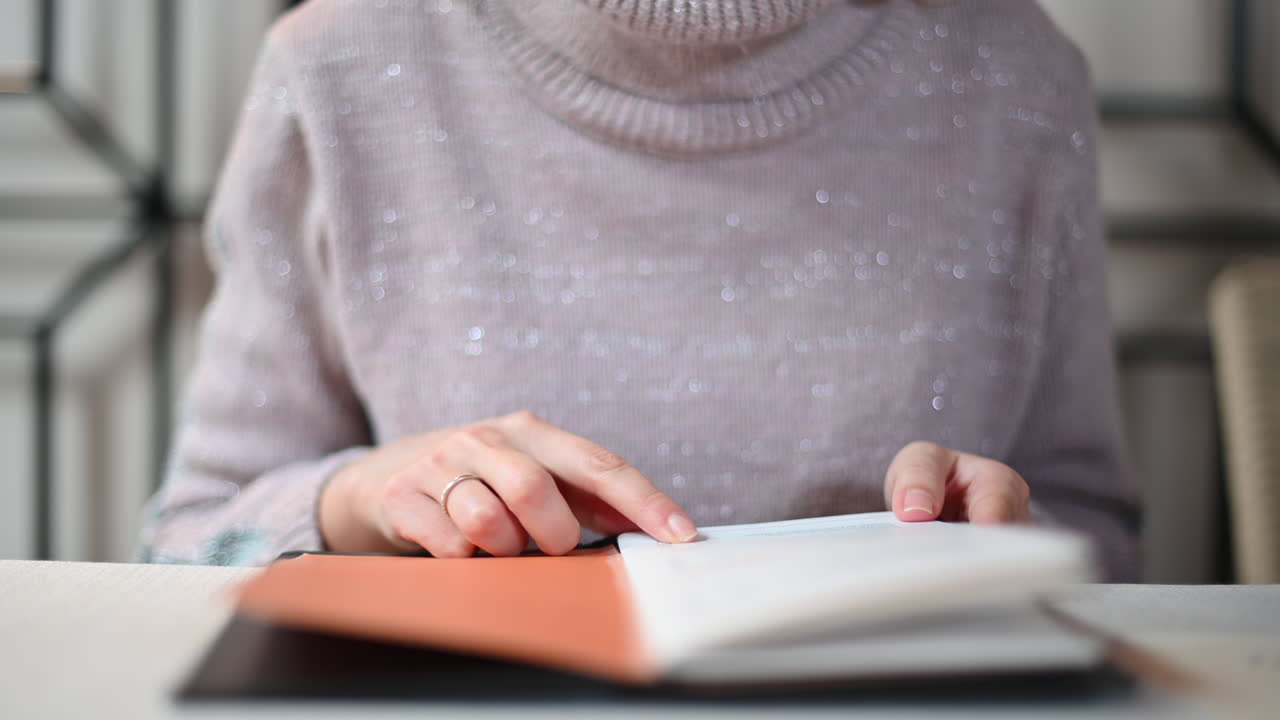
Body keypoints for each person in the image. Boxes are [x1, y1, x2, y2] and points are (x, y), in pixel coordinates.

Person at [139, 0, 1141, 580]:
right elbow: (191, 542)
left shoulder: (1016, 77)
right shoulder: (341, 65)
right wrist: (366, 495)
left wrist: (1010, 545)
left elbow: (1100, 540)